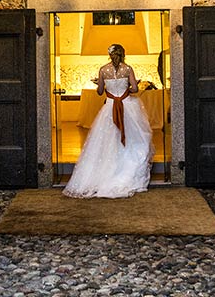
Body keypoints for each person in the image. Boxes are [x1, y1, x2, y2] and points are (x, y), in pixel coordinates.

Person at [63, 44, 155, 198]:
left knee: (107, 142)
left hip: (110, 106)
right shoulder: (128, 69)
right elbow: (135, 89)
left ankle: (107, 173)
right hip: (127, 106)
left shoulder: (103, 70)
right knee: (134, 138)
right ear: (123, 54)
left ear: (110, 55)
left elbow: (100, 92)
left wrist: (101, 85)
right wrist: (128, 88)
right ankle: (127, 172)